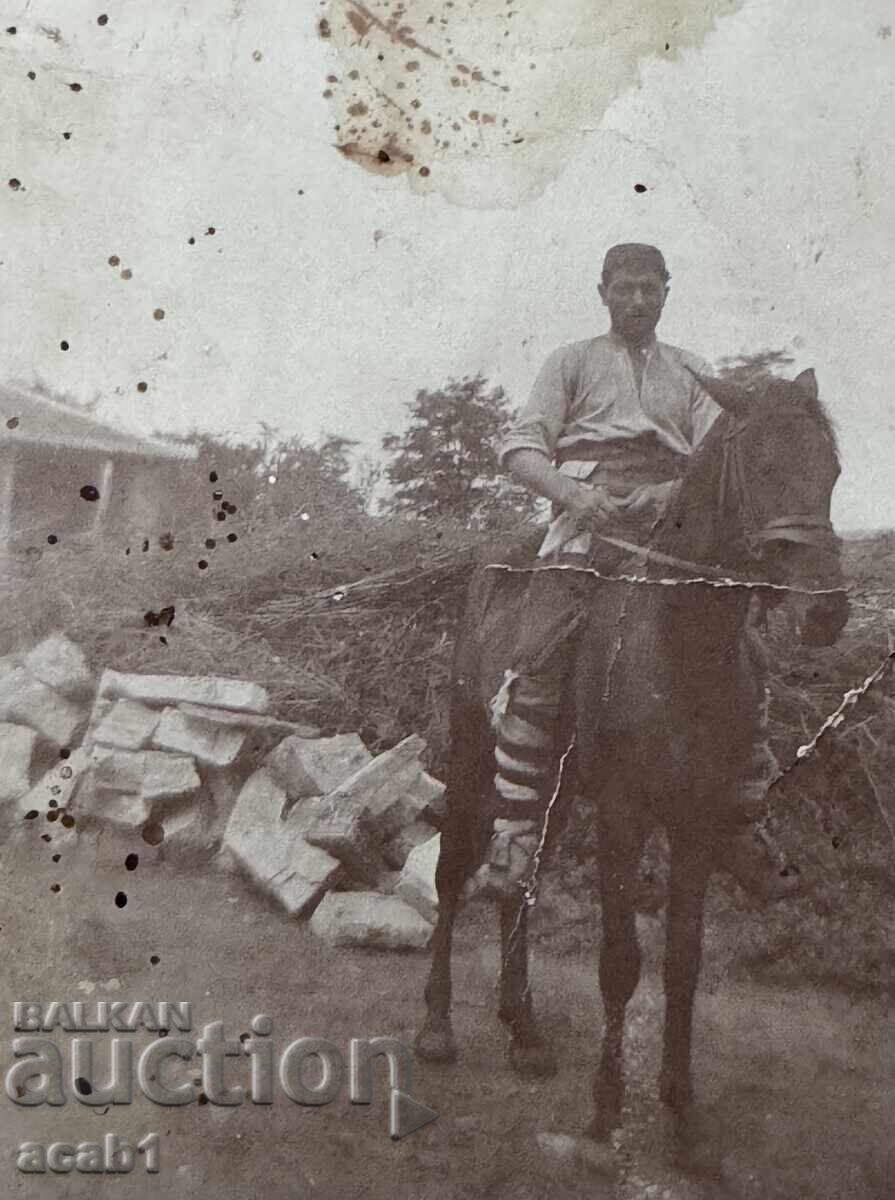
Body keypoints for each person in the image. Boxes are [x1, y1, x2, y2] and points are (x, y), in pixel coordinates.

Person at [477, 242, 796, 902]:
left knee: (748, 654)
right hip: (584, 525)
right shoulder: (569, 361)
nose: (636, 299)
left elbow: (718, 456)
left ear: (665, 293)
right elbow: (520, 446)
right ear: (602, 292)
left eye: (649, 288)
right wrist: (573, 495)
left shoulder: (693, 371)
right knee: (538, 654)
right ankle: (512, 832)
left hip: (669, 531)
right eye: (623, 287)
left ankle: (741, 820)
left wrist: (668, 493)